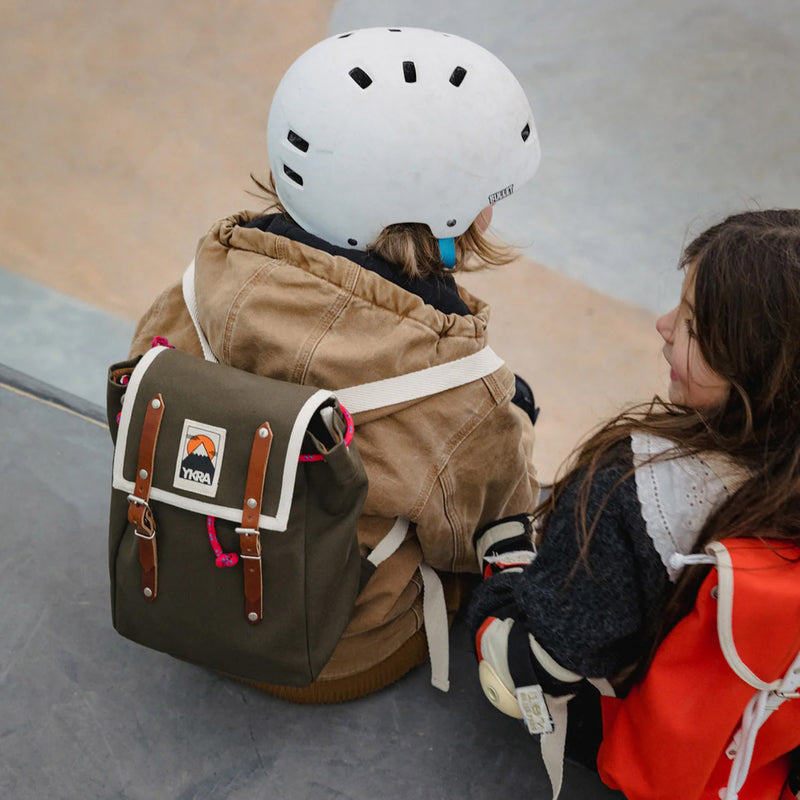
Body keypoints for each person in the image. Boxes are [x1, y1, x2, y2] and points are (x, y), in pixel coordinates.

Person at [128, 27, 542, 702]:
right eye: (481, 195)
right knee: (496, 504)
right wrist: (509, 420)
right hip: (336, 653)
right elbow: (466, 534)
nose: (488, 213)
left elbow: (143, 377)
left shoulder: (207, 280)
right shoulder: (462, 387)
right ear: (436, 212)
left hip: (181, 591)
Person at [467, 209, 800, 799]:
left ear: (758, 367)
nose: (664, 325)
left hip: (644, 747)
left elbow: (530, 670)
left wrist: (501, 578)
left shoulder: (629, 490)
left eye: (694, 324)